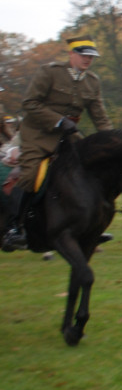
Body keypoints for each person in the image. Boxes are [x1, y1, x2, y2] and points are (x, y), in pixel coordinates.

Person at [3, 35, 113, 250]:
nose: (88, 59)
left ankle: (90, 226)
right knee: (31, 174)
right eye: (83, 55)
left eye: (91, 56)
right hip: (38, 134)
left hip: (69, 138)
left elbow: (100, 116)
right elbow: (30, 103)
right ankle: (14, 227)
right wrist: (59, 121)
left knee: (93, 170)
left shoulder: (92, 81)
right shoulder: (50, 72)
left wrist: (112, 140)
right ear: (72, 54)